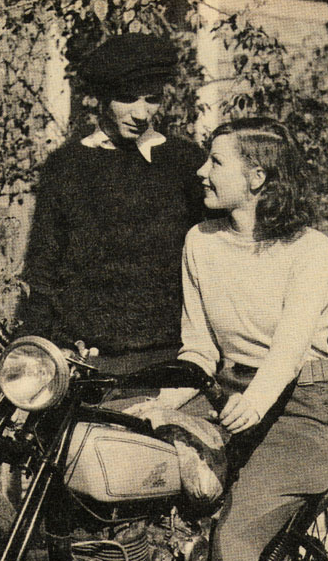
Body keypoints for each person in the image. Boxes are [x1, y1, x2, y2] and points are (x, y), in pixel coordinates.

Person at [134, 117, 328, 561]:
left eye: (215, 162)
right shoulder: (200, 242)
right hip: (229, 398)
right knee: (134, 478)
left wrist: (254, 399)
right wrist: (163, 407)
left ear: (256, 176)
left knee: (233, 542)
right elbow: (197, 349)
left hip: (298, 408)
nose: (201, 171)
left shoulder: (309, 248)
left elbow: (288, 344)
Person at [15, 32, 205, 373]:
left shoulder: (185, 162)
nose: (141, 113)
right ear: (102, 99)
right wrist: (41, 353)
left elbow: (216, 258)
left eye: (152, 99)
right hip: (87, 360)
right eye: (127, 99)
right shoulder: (67, 166)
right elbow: (43, 268)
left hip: (173, 357)